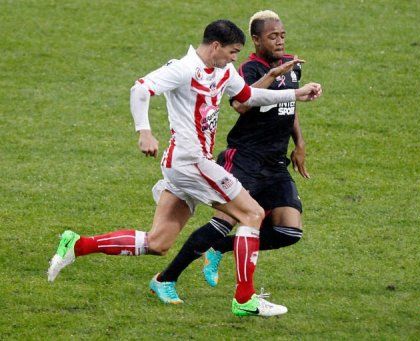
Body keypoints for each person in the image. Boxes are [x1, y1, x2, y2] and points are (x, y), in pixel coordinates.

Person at [47, 19, 322, 317]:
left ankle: (77, 245)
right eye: (232, 51)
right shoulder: (182, 69)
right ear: (215, 46)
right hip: (191, 162)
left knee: (158, 243)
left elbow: (249, 97)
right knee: (253, 213)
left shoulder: (222, 71)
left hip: (182, 164)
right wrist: (144, 131)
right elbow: (140, 89)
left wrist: (294, 94)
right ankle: (244, 300)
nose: (234, 58)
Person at [156, 10, 309, 302]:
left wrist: (299, 143)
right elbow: (241, 104)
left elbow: (289, 103)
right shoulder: (249, 68)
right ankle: (167, 278)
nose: (279, 41)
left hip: (275, 163)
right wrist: (272, 76)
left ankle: (222, 248)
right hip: (245, 158)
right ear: (256, 40)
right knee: (221, 223)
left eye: (282, 35)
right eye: (271, 36)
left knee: (290, 231)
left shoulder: (292, 65)